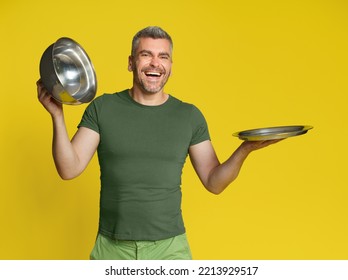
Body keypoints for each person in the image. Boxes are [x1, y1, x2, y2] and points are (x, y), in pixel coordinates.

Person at [37, 26, 281, 260]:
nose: (155, 63)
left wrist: (245, 149)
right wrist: (57, 116)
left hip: (170, 250)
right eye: (146, 55)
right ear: (131, 62)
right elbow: (69, 169)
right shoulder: (103, 108)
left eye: (163, 56)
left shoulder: (189, 116)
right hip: (111, 249)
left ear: (170, 67)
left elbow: (213, 182)